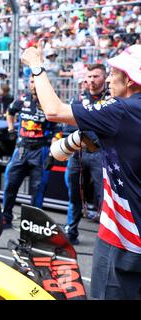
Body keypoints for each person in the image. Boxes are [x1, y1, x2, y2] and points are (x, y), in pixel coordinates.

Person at [21, 42, 141, 299]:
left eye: (114, 73)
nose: (109, 79)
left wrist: (36, 66)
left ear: (131, 80)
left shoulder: (122, 110)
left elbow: (53, 111)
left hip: (125, 238)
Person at [2, 75, 60, 229]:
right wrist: (11, 129)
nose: (34, 84)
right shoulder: (22, 99)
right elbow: (9, 111)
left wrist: (51, 154)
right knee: (10, 184)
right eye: (32, 81)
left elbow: (57, 130)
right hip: (21, 149)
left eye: (37, 81)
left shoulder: (51, 102)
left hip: (40, 151)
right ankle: (6, 218)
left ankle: (33, 225)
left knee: (38, 190)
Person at [63, 64, 112, 245]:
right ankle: (71, 231)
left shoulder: (111, 99)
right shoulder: (78, 99)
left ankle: (105, 236)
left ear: (104, 78)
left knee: (103, 196)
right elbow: (68, 125)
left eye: (96, 76)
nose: (91, 80)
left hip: (102, 154)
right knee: (74, 194)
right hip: (78, 153)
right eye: (89, 77)